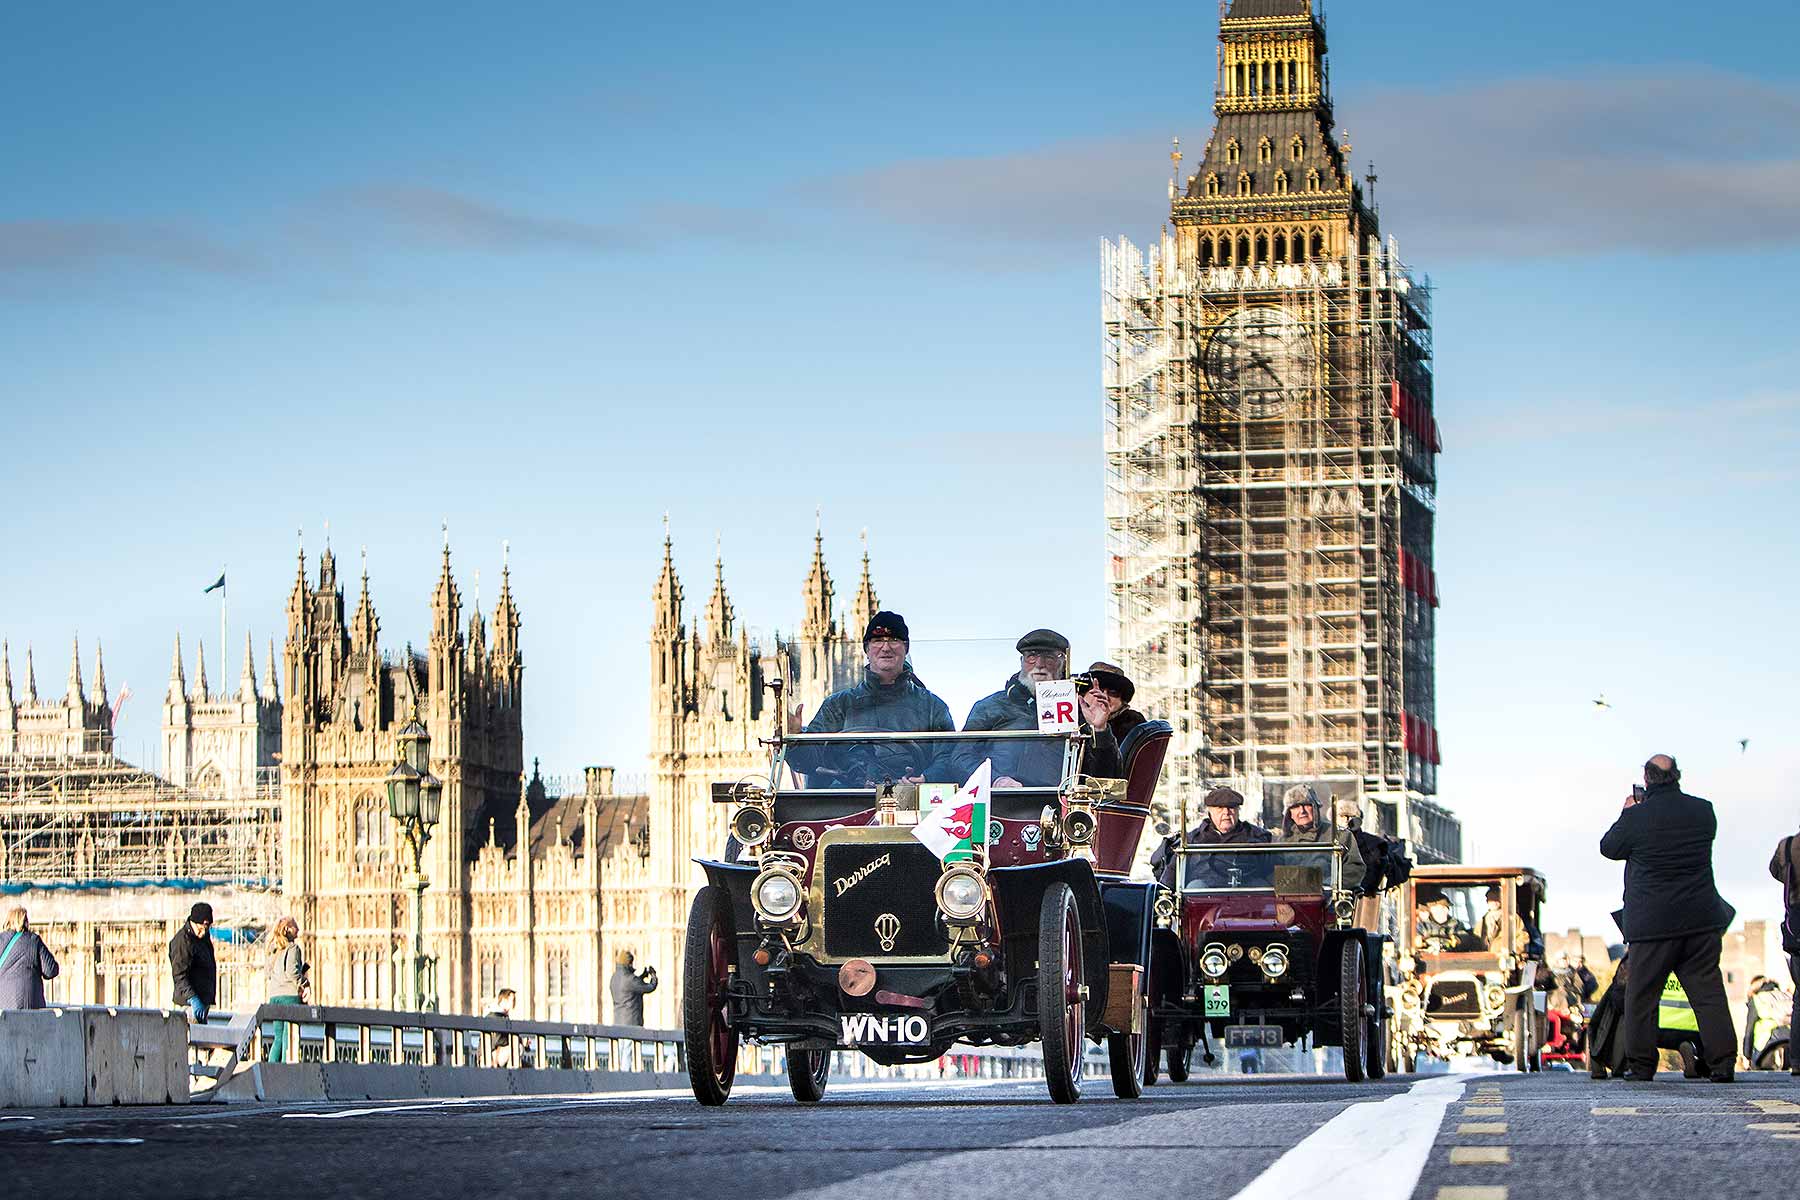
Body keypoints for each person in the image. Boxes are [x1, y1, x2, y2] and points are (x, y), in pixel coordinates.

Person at [1599, 753, 1737, 1082]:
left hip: (1652, 926)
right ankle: (1722, 1063)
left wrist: (1627, 813)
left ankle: (1642, 1065)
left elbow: (1609, 847)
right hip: (1701, 921)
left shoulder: (1636, 818)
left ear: (1646, 780)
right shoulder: (1704, 812)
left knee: (1642, 996)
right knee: (1709, 995)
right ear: (1677, 775)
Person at [784, 611, 954, 787]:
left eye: (894, 640)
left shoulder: (933, 707)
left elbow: (948, 757)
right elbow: (809, 761)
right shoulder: (838, 705)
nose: (886, 648)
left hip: (910, 802)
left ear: (906, 648)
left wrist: (926, 779)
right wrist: (795, 739)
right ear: (866, 649)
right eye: (878, 641)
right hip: (847, 802)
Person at [961, 628, 1072, 787]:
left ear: (1062, 664)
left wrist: (1100, 730)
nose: (1040, 664)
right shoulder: (991, 707)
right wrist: (995, 780)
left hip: (1059, 801)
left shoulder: (1075, 710)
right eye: (1032, 656)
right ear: (1022, 661)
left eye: (1049, 657)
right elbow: (961, 756)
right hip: (1001, 801)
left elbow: (1097, 767)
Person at [1151, 786, 1272, 887]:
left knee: (1262, 886)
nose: (1226, 813)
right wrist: (1163, 897)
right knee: (1195, 887)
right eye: (1220, 808)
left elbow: (1273, 870)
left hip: (1248, 897)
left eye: (1231, 808)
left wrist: (1282, 901)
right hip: (1204, 902)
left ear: (1238, 810)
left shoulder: (1258, 837)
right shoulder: (1192, 840)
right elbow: (1172, 874)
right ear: (1210, 811)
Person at [1278, 785, 1365, 893]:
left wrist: (1330, 887)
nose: (1302, 811)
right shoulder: (1282, 842)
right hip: (1290, 901)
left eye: (1307, 805)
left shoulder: (1340, 835)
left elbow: (1354, 869)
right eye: (1296, 806)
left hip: (1329, 902)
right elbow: (1271, 873)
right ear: (1289, 813)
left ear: (1315, 808)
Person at [1077, 661, 1146, 780]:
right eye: (1096, 690)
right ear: (1082, 694)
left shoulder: (1132, 724)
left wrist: (1100, 730)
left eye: (1113, 693)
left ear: (1122, 701)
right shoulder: (1067, 720)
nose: (1104, 696)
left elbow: (1110, 777)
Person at [1770, 821, 1800, 1075]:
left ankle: (1798, 1060)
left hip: (1797, 926)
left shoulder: (1788, 845)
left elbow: (1774, 870)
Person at [1333, 797, 1387, 930]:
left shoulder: (1373, 844)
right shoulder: (1327, 840)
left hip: (1360, 897)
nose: (1346, 820)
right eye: (1342, 816)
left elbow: (1371, 874)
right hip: (1332, 895)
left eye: (1350, 816)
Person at [264, 916, 308, 1064]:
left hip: (274, 997)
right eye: (296, 926)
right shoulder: (293, 948)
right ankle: (284, 1069)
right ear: (288, 929)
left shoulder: (273, 948)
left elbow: (268, 973)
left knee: (278, 1037)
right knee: (288, 1036)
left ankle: (271, 1068)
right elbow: (292, 972)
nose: (299, 929)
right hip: (289, 997)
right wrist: (305, 982)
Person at [0, 906, 60, 1010]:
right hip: (31, 1008)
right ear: (25, 922)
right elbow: (51, 970)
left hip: (3, 1008)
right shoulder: (33, 940)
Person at [169, 902, 217, 1023]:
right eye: (201, 929)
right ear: (194, 923)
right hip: (189, 1004)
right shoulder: (183, 941)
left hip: (203, 1002)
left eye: (207, 929)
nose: (203, 932)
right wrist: (192, 998)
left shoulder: (203, 940)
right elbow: (179, 975)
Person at [609, 949, 658, 1026]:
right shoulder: (630, 979)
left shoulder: (614, 977)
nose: (632, 965)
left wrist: (642, 977)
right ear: (627, 963)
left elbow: (632, 988)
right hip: (631, 1023)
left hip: (618, 1022)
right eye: (631, 963)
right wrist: (653, 975)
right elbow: (650, 987)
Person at [488, 987, 520, 1067]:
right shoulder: (495, 1017)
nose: (513, 1003)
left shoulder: (503, 1017)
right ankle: (511, 1076)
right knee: (517, 1048)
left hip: (499, 1054)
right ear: (504, 1000)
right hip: (492, 1057)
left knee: (529, 1069)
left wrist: (522, 1041)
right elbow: (496, 1041)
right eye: (512, 1000)